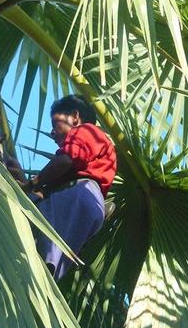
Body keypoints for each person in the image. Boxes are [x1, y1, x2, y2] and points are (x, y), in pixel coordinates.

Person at [6, 95, 117, 280]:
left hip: (80, 195)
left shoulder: (86, 131)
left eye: (54, 123)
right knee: (45, 264)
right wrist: (19, 176)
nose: (52, 133)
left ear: (74, 116)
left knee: (24, 223)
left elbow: (65, 162)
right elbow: (49, 190)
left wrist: (28, 186)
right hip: (89, 205)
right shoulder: (97, 150)